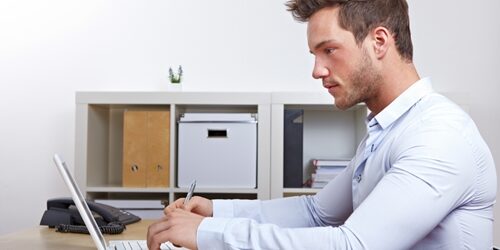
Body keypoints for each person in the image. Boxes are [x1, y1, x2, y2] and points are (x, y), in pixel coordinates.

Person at [148, 0, 497, 249]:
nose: (317, 70)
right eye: (315, 55)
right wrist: (215, 211)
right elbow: (316, 213)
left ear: (379, 42)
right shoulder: (389, 129)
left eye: (329, 50)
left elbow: (352, 244)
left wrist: (206, 234)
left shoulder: (438, 136)